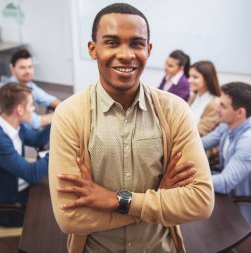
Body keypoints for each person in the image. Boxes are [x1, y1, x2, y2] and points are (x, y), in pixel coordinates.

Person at [49, 3, 214, 252]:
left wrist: (116, 200)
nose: (126, 54)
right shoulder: (70, 114)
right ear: (93, 49)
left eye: (136, 43)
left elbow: (201, 201)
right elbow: (70, 218)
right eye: (112, 42)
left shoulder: (175, 110)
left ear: (148, 50)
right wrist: (155, 202)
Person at [0, 83, 50, 227]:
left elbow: (36, 139)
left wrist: (56, 121)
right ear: (19, 109)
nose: (33, 109)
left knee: (58, 195)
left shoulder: (10, 121)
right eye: (31, 105)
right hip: (7, 206)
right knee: (53, 214)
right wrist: (56, 154)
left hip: (16, 186)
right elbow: (30, 174)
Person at [201, 82, 251, 223]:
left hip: (250, 200)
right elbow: (201, 144)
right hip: (233, 188)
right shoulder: (228, 124)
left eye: (222, 106)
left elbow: (225, 183)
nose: (217, 109)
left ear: (240, 112)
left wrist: (186, 180)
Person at [0, 49, 61, 130]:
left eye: (30, 67)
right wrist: (62, 114)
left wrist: (63, 107)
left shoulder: (28, 84)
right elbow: (34, 123)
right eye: (22, 67)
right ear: (12, 70)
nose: (27, 71)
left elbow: (49, 99)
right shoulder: (9, 91)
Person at [188, 60, 221, 136]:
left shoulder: (215, 103)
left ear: (207, 79)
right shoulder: (194, 97)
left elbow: (200, 131)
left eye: (195, 77)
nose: (189, 80)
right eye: (189, 76)